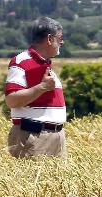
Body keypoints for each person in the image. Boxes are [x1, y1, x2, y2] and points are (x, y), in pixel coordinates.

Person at [5, 17, 67, 158]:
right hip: (34, 136)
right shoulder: (21, 61)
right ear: (49, 39)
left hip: (54, 136)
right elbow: (11, 100)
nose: (62, 42)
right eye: (60, 38)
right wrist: (42, 87)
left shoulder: (44, 65)